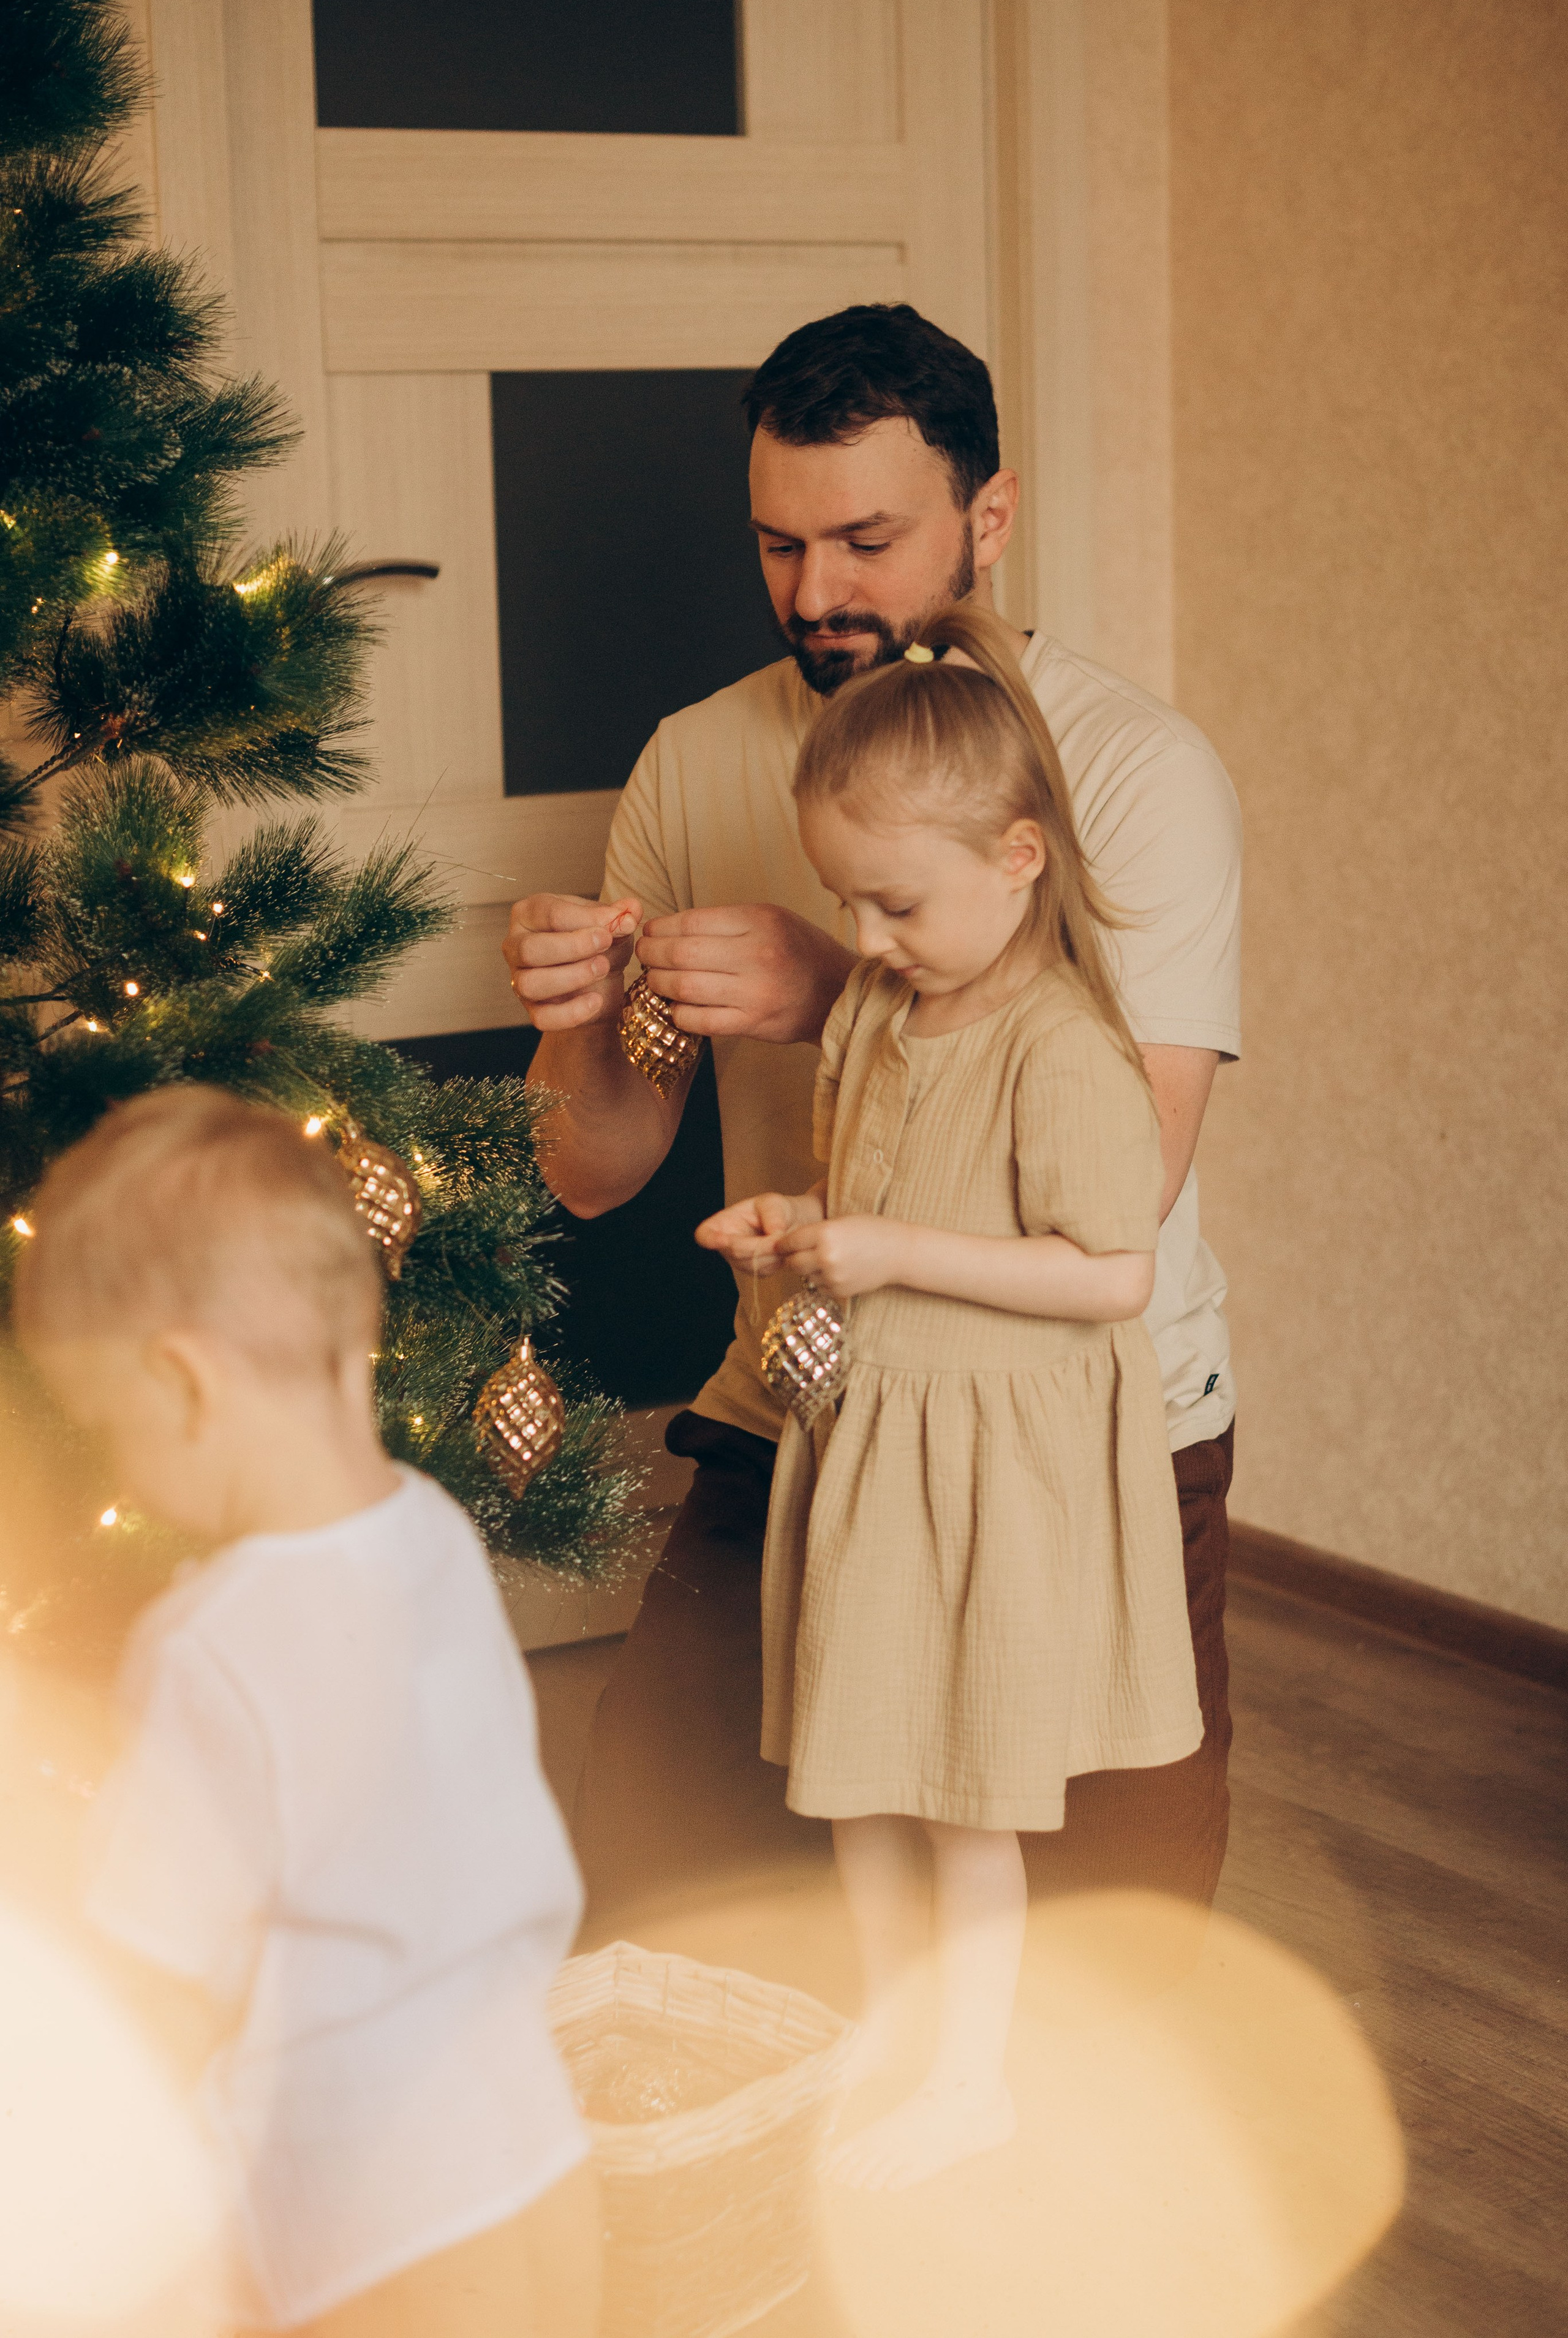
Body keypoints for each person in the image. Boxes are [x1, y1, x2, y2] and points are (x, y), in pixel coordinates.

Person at [502, 301, 1240, 1934]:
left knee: (1108, 1979)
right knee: (659, 1898)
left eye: (866, 540)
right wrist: (580, 1014)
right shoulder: (695, 762)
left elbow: (1134, 1169)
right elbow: (593, 1165)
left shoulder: (1130, 770)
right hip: (806, 1409)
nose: (816, 595)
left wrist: (835, 984)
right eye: (778, 546)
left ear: (990, 518)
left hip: (1078, 1425)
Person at [697, 603, 1200, 2189]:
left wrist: (891, 1246)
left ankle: (969, 2073)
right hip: (875, 1440)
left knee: (963, 1790)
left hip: (986, 1463)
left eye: (897, 900)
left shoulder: (1063, 1048)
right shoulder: (876, 1009)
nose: (868, 934)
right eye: (845, 897)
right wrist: (799, 1231)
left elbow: (1111, 1270)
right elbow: (873, 1200)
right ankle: (891, 2024)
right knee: (857, 1765)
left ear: (1022, 855)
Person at [12, 1087, 600, 2338]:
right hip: (537, 2153)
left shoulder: (210, 1642)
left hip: (369, 2227)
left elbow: (157, 1978)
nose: (121, 1467)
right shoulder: (434, 1536)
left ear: (182, 1381)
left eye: (113, 1428)